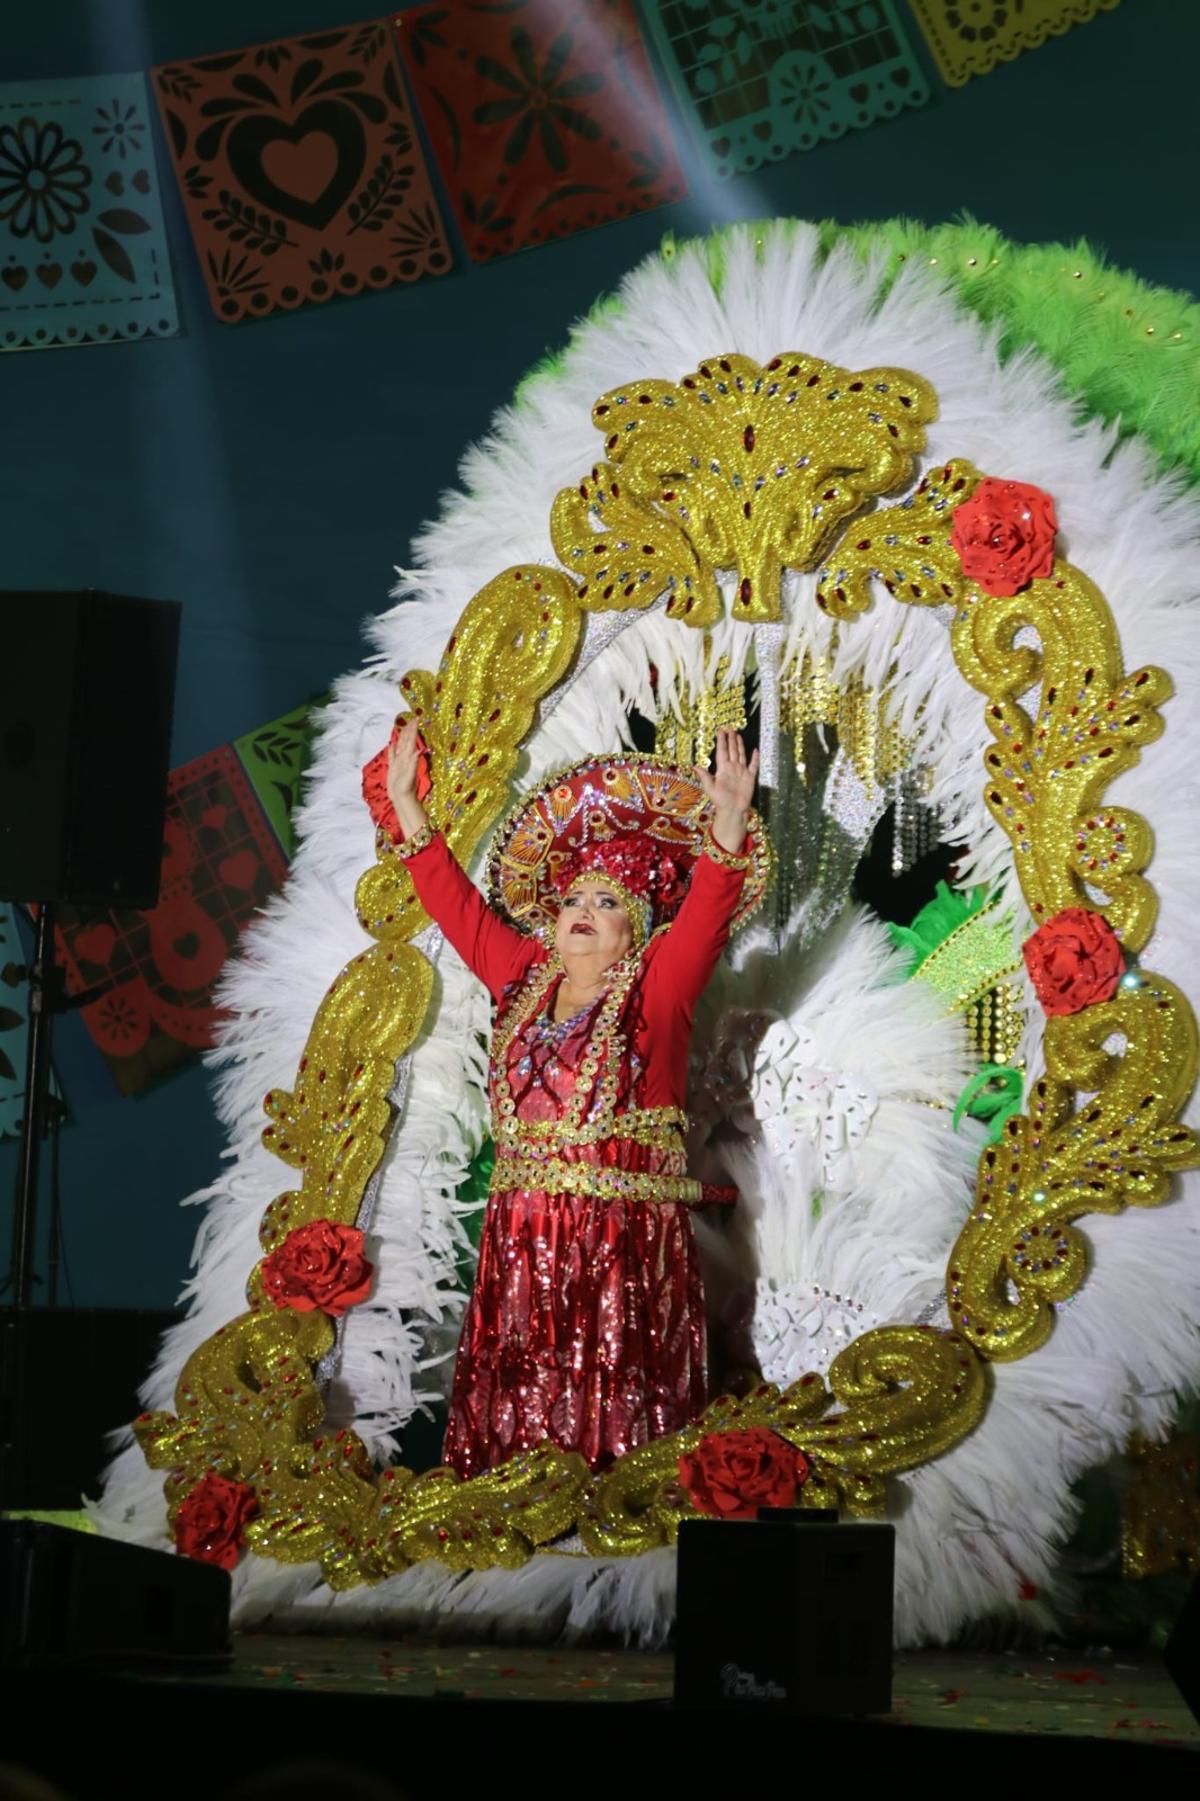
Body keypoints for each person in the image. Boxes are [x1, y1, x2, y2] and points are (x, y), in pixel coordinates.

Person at [385, 721, 766, 1478]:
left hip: (621, 1248)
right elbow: (457, 908)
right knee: (515, 1440)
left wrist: (726, 823)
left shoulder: (657, 990)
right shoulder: (522, 973)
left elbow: (706, 917)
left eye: (608, 899)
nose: (582, 908)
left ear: (638, 930)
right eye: (572, 898)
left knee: (619, 1441)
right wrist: (407, 809)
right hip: (518, 1251)